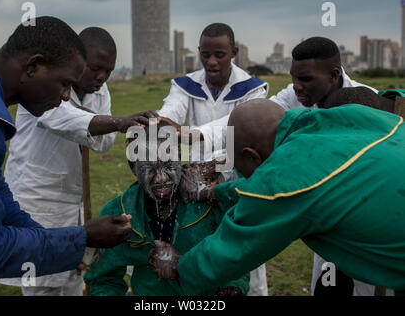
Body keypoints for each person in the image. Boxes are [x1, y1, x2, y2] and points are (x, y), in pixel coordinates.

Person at [149, 99, 405, 295]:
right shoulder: (346, 118)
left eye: (240, 167)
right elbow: (272, 189)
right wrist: (215, 191)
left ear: (252, 156)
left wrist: (179, 266)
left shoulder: (286, 179)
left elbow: (233, 249)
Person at [0, 17, 135, 280]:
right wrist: (82, 237)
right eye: (64, 84)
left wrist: (64, 245)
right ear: (34, 66)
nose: (65, 96)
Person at [0, 27, 156, 296]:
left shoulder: (100, 92)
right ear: (78, 60)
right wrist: (116, 123)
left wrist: (113, 125)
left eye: (108, 71)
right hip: (36, 195)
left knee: (72, 275)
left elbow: (103, 143)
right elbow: (58, 119)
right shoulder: (42, 85)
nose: (101, 77)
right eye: (95, 68)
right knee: (41, 282)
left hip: (72, 199)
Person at [157, 22, 268, 296]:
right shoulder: (185, 84)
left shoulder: (253, 89)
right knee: (198, 246)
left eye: (220, 54)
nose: (211, 61)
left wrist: (194, 141)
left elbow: (238, 130)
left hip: (236, 183)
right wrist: (161, 123)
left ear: (234, 52)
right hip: (193, 187)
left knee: (244, 257)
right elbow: (171, 112)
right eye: (205, 54)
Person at [269, 37, 381, 296]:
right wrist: (195, 134)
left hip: (366, 227)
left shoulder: (372, 103)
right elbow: (255, 118)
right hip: (326, 223)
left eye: (305, 79)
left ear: (333, 74)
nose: (296, 87)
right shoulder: (294, 95)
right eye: (293, 78)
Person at [83, 121, 249, 296]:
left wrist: (233, 289)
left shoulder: (210, 200)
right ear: (133, 168)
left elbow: (236, 254)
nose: (161, 178)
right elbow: (103, 279)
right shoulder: (118, 213)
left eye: (169, 164)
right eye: (150, 169)